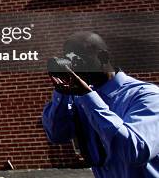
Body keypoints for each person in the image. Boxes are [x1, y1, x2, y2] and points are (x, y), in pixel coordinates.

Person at [42, 31, 159, 178]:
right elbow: (57, 135)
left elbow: (134, 152)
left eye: (80, 60)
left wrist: (88, 96)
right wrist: (62, 92)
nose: (76, 68)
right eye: (70, 61)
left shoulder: (147, 96)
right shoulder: (80, 100)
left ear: (104, 57)